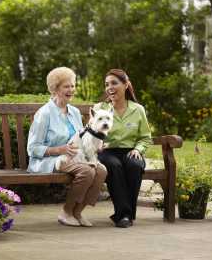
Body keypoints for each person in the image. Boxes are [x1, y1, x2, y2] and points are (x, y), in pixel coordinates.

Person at [27, 67, 107, 227]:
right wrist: (59, 150)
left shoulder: (75, 112)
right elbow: (33, 148)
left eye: (72, 86)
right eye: (66, 86)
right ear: (55, 89)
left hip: (75, 158)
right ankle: (66, 212)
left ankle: (78, 212)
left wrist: (96, 145)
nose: (71, 90)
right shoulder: (44, 114)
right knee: (87, 171)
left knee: (101, 170)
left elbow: (82, 139)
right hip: (50, 160)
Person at [95, 69, 152, 228]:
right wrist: (98, 143)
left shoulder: (138, 109)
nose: (109, 87)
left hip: (130, 151)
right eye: (107, 84)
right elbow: (91, 133)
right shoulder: (100, 108)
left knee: (135, 165)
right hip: (106, 151)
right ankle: (125, 215)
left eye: (114, 83)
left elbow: (146, 137)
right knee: (114, 166)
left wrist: (138, 149)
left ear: (126, 85)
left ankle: (125, 215)